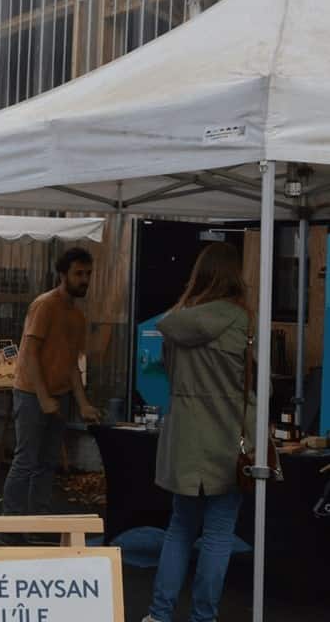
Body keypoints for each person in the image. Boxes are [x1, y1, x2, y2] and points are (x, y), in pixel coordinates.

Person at [143, 242, 255, 622]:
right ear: (235, 275)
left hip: (184, 438)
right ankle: (202, 617)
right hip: (227, 439)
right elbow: (255, 386)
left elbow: (168, 372)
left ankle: (159, 615)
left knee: (179, 528)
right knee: (219, 533)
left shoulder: (176, 322)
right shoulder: (242, 322)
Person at [1, 248, 102, 544]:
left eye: (88, 274)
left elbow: (72, 363)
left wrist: (83, 403)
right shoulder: (45, 306)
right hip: (32, 393)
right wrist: (43, 397)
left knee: (47, 462)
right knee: (26, 460)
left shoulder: (77, 317)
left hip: (58, 395)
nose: (84, 280)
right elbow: (29, 353)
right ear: (63, 274)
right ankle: (11, 524)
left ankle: (38, 523)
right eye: (79, 274)